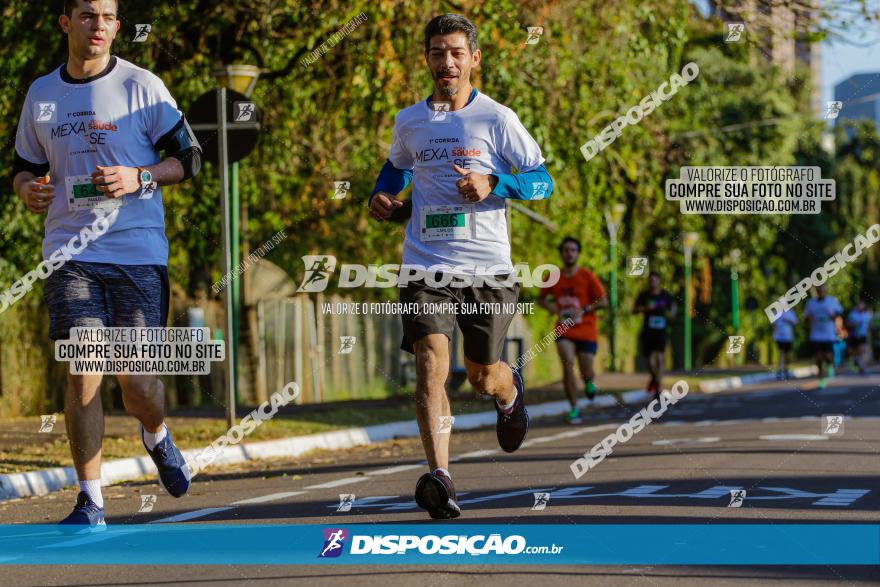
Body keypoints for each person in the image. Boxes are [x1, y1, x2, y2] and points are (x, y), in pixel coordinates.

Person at [12, 0, 202, 529]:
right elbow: (25, 167)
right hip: (70, 253)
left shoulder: (143, 86)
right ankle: (91, 499)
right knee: (83, 373)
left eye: (108, 17)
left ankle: (156, 434)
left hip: (138, 252)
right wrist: (29, 189)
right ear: (65, 23)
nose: (99, 26)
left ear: (118, 26)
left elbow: (189, 158)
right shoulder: (43, 94)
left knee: (137, 383)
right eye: (88, 15)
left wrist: (139, 176)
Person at [368, 14, 553, 519]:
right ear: (426, 59)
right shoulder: (410, 121)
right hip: (425, 265)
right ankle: (441, 477)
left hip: (488, 270)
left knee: (479, 375)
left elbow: (542, 182)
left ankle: (508, 391)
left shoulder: (497, 119)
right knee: (430, 361)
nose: (445, 63)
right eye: (435, 53)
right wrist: (384, 196)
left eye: (455, 53)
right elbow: (396, 167)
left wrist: (496, 184)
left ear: (474, 58)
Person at [538, 237, 607, 424]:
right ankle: (574, 408)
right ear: (561, 253)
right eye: (566, 250)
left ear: (578, 253)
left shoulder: (587, 276)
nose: (569, 253)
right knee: (567, 365)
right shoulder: (553, 276)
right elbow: (542, 299)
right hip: (564, 329)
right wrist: (555, 310)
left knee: (587, 370)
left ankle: (589, 383)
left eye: (573, 250)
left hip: (586, 330)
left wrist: (585, 309)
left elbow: (603, 301)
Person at [634, 272, 677, 397]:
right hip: (648, 331)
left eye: (655, 280)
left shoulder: (665, 295)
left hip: (661, 331)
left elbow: (673, 307)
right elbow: (635, 309)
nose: (653, 282)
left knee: (660, 358)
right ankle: (654, 378)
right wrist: (646, 308)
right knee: (649, 360)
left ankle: (657, 386)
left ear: (659, 281)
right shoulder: (644, 295)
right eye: (651, 280)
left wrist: (671, 314)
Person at [803, 285, 844, 388]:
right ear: (816, 291)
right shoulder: (811, 303)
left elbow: (839, 313)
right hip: (816, 334)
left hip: (828, 334)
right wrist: (809, 318)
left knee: (828, 356)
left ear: (825, 290)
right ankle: (821, 379)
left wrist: (833, 316)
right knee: (819, 358)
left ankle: (830, 365)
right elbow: (806, 317)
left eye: (822, 290)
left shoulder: (832, 301)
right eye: (818, 290)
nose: (820, 292)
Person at [846, 299, 872, 375]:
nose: (861, 307)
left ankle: (862, 368)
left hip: (863, 335)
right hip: (854, 335)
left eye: (862, 305)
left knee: (861, 351)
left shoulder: (866, 314)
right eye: (859, 305)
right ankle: (858, 365)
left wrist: (868, 329)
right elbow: (847, 324)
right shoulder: (852, 314)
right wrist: (853, 325)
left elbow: (869, 324)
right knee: (855, 352)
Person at [772, 309, 798, 380]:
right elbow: (774, 324)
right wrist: (774, 335)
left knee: (787, 355)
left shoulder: (790, 313)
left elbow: (795, 322)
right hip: (779, 337)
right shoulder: (776, 313)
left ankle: (787, 370)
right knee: (780, 354)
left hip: (788, 337)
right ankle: (779, 371)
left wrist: (788, 320)